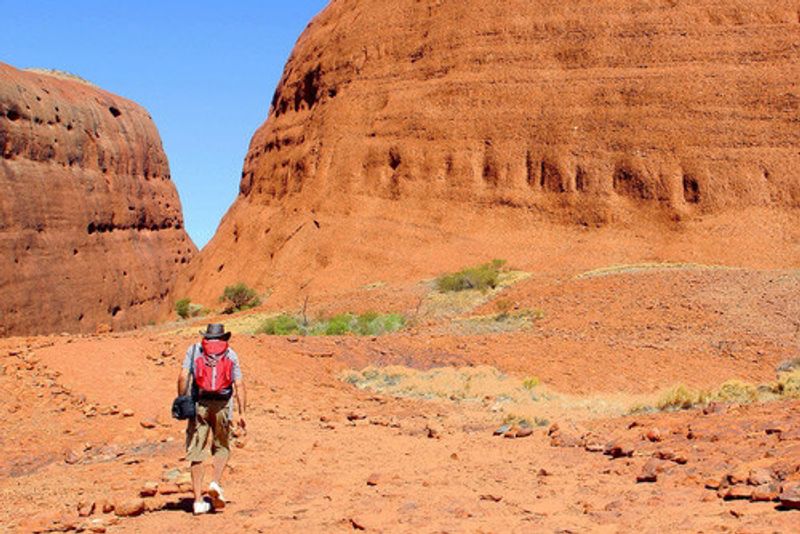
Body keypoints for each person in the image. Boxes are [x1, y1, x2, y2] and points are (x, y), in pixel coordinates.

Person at [177, 323, 247, 515]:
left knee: (197, 450)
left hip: (200, 404)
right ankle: (215, 482)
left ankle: (198, 501)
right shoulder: (230, 353)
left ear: (206, 336)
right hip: (223, 406)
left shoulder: (194, 351)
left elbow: (183, 376)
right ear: (224, 337)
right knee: (222, 446)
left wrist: (182, 399)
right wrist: (242, 412)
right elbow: (239, 384)